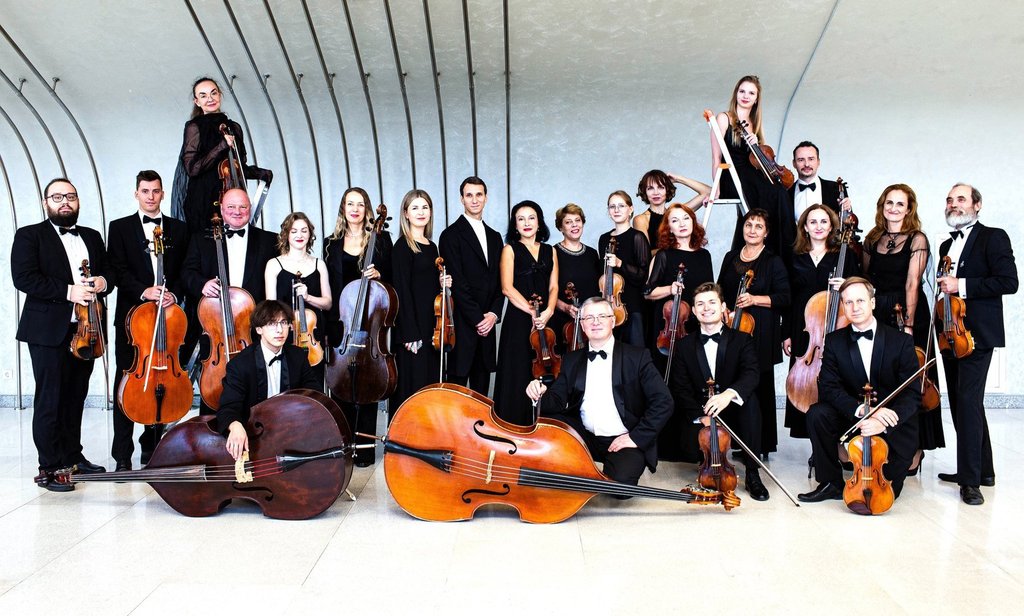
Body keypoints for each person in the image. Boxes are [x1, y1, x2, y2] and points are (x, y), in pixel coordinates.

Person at [12, 178, 110, 490]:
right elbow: (24, 278)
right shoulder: (29, 235)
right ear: (46, 203)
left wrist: (103, 282)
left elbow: (108, 273)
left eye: (70, 196)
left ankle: (72, 456)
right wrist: (69, 291)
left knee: (75, 396)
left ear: (78, 201)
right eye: (57, 197)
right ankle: (50, 466)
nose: (65, 202)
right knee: (50, 398)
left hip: (86, 328)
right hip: (47, 331)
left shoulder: (92, 236)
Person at [525, 298, 673, 486]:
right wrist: (538, 392)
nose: (595, 322)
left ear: (613, 321)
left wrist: (635, 437)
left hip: (623, 437)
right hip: (584, 435)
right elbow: (555, 401)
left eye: (602, 316)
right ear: (582, 325)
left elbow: (664, 401)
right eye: (589, 318)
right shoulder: (571, 360)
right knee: (552, 425)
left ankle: (593, 471)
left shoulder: (637, 357)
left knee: (620, 486)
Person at [798, 277, 920, 503]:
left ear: (872, 303)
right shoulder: (834, 341)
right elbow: (829, 387)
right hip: (854, 417)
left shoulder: (901, 341)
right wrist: (862, 410)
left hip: (891, 423)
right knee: (817, 413)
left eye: (861, 301)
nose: (855, 307)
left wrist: (884, 421)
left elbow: (912, 393)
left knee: (884, 493)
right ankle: (830, 482)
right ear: (843, 306)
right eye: (848, 302)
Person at [934, 183, 1017, 505]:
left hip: (977, 335)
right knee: (961, 402)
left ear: (977, 205)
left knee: (967, 402)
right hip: (950, 333)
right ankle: (984, 470)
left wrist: (961, 285)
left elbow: (1009, 282)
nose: (954, 204)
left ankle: (970, 482)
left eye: (961, 199)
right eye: (949, 200)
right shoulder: (946, 245)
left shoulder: (993, 237)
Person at [106, 170, 189, 471]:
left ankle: (152, 447)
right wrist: (144, 290)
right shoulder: (119, 228)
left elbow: (184, 270)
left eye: (155, 191)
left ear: (163, 194)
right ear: (136, 194)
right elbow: (116, 270)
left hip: (168, 318)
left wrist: (173, 293)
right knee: (127, 383)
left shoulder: (179, 229)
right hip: (133, 322)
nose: (151, 196)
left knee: (162, 382)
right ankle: (122, 454)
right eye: (145, 191)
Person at [862, 184, 943, 474]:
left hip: (908, 311)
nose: (894, 208)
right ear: (882, 206)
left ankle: (916, 449)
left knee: (912, 382)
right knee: (882, 379)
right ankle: (883, 446)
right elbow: (866, 280)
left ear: (909, 209)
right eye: (889, 203)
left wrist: (908, 325)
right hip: (879, 312)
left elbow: (912, 283)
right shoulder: (873, 238)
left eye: (900, 204)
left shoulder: (917, 238)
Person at [182, 187, 278, 414]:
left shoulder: (269, 240)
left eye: (243, 206)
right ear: (222, 209)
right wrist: (202, 284)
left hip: (252, 330)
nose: (237, 211)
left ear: (250, 209)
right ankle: (212, 435)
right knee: (212, 401)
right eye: (231, 207)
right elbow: (186, 273)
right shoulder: (201, 239)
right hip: (215, 328)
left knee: (256, 393)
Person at [668, 283, 767, 500]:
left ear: (723, 307)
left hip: (732, 408)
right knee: (687, 442)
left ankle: (753, 472)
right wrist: (701, 416)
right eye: (700, 304)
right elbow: (680, 388)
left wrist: (728, 395)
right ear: (694, 311)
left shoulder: (742, 339)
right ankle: (707, 464)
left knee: (751, 404)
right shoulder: (684, 346)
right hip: (701, 410)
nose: (706, 308)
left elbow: (751, 374)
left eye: (712, 302)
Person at [323, 186, 394, 466]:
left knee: (368, 383)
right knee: (340, 383)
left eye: (360, 204)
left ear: (367, 209)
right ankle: (342, 446)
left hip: (370, 322)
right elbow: (326, 283)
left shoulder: (381, 239)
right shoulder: (331, 243)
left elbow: (393, 280)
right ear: (343, 208)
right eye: (350, 204)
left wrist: (380, 274)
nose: (355, 209)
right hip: (342, 322)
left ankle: (364, 449)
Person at [643, 203, 714, 461]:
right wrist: (670, 289)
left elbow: (709, 290)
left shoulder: (704, 255)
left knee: (691, 383)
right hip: (669, 329)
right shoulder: (663, 255)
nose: (682, 224)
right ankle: (665, 447)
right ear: (668, 228)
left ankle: (692, 446)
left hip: (694, 327)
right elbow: (647, 292)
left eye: (686, 218)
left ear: (693, 223)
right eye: (675, 220)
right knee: (667, 383)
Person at [717, 209, 790, 457]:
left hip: (762, 331)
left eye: (759, 226)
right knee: (734, 380)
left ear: (766, 233)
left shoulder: (772, 261)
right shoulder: (731, 257)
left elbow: (784, 297)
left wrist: (755, 299)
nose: (752, 230)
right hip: (733, 327)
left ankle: (761, 444)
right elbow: (720, 288)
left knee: (759, 386)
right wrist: (723, 306)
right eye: (749, 225)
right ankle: (738, 440)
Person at [783, 204, 858, 439]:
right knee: (805, 381)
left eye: (824, 221)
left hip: (837, 327)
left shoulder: (844, 255)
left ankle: (835, 439)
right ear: (805, 227)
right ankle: (815, 443)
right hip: (805, 331)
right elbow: (787, 298)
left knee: (838, 381)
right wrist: (786, 333)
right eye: (813, 222)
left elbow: (861, 289)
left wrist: (846, 284)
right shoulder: (794, 257)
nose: (818, 226)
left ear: (832, 226)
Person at [218, 300, 321, 461]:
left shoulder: (298, 356)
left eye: (284, 323)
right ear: (259, 329)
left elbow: (314, 394)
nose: (279, 330)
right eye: (272, 324)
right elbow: (228, 407)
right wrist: (235, 425)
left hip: (291, 430)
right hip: (255, 436)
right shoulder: (240, 364)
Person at [172, 77, 271, 234]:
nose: (210, 99)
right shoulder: (194, 127)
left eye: (213, 93)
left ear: (220, 95)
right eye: (203, 95)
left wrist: (260, 173)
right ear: (197, 101)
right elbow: (192, 169)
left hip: (229, 200)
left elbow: (238, 168)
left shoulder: (234, 128)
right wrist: (221, 146)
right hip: (202, 201)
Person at [438, 177, 505, 396]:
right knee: (455, 393)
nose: (474, 200)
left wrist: (493, 314)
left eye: (479, 195)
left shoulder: (495, 237)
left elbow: (500, 282)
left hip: (487, 325)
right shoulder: (450, 235)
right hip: (462, 325)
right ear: (462, 199)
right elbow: (457, 283)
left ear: (486, 198)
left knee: (482, 395)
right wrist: (478, 319)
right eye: (469, 195)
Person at [494, 200, 558, 426]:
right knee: (518, 369)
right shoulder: (509, 250)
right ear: (515, 225)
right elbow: (507, 288)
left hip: (545, 319)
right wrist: (532, 312)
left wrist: (548, 311)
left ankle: (541, 424)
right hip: (519, 320)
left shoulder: (550, 250)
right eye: (521, 219)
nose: (527, 223)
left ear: (539, 222)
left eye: (531, 218)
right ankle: (512, 425)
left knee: (544, 366)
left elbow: (553, 287)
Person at [709, 75, 790, 256]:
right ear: (736, 94)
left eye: (751, 93)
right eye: (742, 91)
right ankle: (762, 251)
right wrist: (716, 189)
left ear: (756, 99)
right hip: (733, 176)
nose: (746, 96)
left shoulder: (755, 124)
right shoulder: (724, 118)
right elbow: (716, 158)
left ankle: (778, 253)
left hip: (752, 176)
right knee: (773, 194)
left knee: (780, 193)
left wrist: (756, 146)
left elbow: (758, 162)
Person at [390, 189, 450, 414]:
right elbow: (401, 291)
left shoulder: (432, 246)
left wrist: (443, 282)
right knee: (411, 391)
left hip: (432, 328)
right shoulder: (402, 246)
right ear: (406, 213)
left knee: (429, 389)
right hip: (412, 331)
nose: (421, 212)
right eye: (415, 207)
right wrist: (410, 334)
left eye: (425, 207)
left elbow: (428, 287)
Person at [264, 212, 332, 374]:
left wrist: (308, 297)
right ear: (286, 235)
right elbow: (271, 306)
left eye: (304, 231)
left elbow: (328, 303)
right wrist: (285, 324)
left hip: (313, 335)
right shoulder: (274, 264)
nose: (299, 235)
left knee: (314, 381)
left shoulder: (319, 264)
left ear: (310, 234)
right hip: (285, 333)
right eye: (294, 231)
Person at [780, 141, 851, 261]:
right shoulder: (784, 194)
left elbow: (846, 223)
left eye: (811, 159)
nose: (806, 164)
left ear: (818, 162)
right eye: (801, 160)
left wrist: (848, 210)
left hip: (829, 255)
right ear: (794, 163)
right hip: (795, 257)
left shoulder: (835, 189)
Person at [598, 191, 650, 346]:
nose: (616, 210)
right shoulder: (604, 239)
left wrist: (620, 264)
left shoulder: (637, 237)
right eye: (612, 206)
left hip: (633, 305)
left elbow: (644, 275)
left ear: (630, 209)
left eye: (621, 206)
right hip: (609, 306)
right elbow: (603, 274)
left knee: (635, 351)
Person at [550, 203, 601, 353]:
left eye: (577, 220)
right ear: (560, 228)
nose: (574, 225)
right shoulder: (552, 252)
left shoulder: (592, 254)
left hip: (590, 322)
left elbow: (598, 290)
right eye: (568, 222)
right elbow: (547, 290)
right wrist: (565, 307)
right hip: (563, 323)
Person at [632, 170, 710, 244]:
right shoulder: (641, 219)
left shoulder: (678, 213)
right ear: (645, 192)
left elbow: (709, 192)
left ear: (667, 189)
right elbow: (644, 252)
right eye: (650, 188)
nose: (656, 193)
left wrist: (679, 179)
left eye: (661, 187)